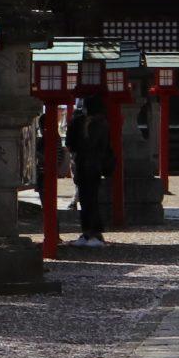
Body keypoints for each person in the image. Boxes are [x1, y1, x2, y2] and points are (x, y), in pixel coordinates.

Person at [68, 93, 113, 247]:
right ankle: (94, 230)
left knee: (86, 199)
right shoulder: (103, 124)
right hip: (96, 165)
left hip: (82, 163)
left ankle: (88, 229)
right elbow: (105, 146)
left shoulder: (78, 122)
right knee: (92, 198)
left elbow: (70, 143)